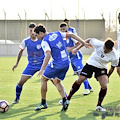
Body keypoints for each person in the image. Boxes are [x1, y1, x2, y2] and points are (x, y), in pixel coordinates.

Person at [34, 24, 90, 111]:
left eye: (37, 35)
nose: (37, 38)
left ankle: (43, 103)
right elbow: (71, 35)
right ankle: (65, 100)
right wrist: (83, 42)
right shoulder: (57, 34)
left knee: (43, 79)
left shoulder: (44, 41)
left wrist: (42, 69)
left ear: (41, 33)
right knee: (56, 81)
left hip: (57, 64)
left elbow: (48, 55)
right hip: (66, 63)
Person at [66, 38, 119, 111]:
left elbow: (112, 67)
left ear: (111, 49)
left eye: (106, 50)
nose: (104, 50)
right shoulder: (99, 44)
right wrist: (77, 49)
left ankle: (99, 106)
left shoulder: (115, 56)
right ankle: (67, 99)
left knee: (104, 85)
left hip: (102, 67)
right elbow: (88, 39)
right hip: (91, 63)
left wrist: (107, 76)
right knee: (80, 80)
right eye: (104, 48)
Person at [12, 22, 45, 104]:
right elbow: (20, 51)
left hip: (42, 65)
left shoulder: (42, 40)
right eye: (31, 31)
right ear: (28, 31)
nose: (33, 32)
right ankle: (17, 98)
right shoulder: (26, 41)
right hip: (31, 65)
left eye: (34, 31)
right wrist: (17, 63)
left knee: (55, 80)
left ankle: (64, 98)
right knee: (20, 82)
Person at [60, 22, 93, 95]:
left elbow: (78, 43)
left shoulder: (71, 35)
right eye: (61, 29)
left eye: (64, 29)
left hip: (76, 56)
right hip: (71, 58)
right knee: (78, 74)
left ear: (67, 28)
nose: (63, 30)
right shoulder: (61, 37)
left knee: (81, 73)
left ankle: (86, 89)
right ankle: (89, 87)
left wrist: (72, 49)